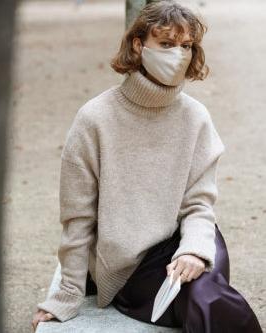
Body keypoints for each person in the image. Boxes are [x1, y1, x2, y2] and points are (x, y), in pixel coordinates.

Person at [32, 1, 263, 332]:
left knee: (205, 291)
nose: (178, 54)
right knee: (203, 299)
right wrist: (67, 295)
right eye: (166, 44)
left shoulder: (195, 117)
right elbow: (77, 219)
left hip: (189, 239)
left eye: (186, 46)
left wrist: (195, 252)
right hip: (133, 268)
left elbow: (199, 205)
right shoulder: (94, 119)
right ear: (139, 45)